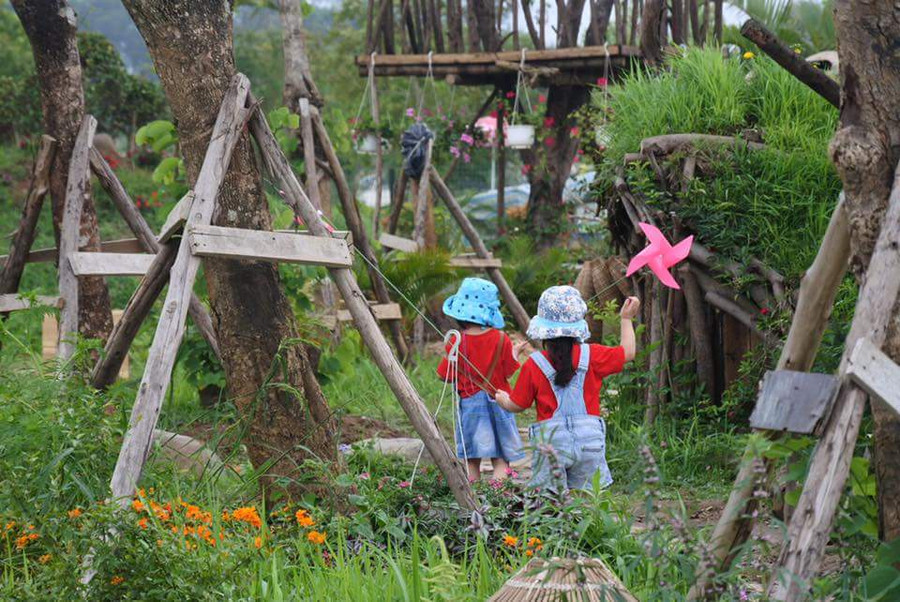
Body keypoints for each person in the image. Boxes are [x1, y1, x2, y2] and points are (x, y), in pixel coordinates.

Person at [496, 286, 640, 491]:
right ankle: (587, 524)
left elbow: (518, 404)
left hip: (551, 443)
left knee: (549, 503)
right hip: (589, 440)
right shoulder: (592, 355)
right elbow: (628, 352)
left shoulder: (534, 364)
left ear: (543, 330)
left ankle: (558, 522)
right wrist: (626, 318)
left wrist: (503, 400)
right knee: (589, 499)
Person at [438, 278, 525, 482]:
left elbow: (444, 376)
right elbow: (508, 372)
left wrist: (450, 353)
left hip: (470, 406)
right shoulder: (501, 338)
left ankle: (472, 500)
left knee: (472, 459)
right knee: (501, 458)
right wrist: (514, 353)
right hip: (500, 402)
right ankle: (497, 500)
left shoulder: (455, 341)